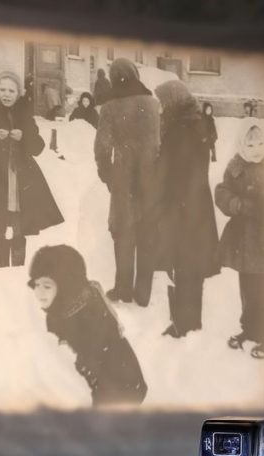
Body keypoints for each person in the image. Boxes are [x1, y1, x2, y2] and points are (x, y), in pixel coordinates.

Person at [28, 245, 147, 405]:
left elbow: (87, 380)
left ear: (65, 286)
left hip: (119, 392)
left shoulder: (89, 323)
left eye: (47, 286)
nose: (39, 292)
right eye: (36, 285)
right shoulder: (62, 309)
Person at [0, 70, 63, 269]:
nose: (6, 94)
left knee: (19, 226)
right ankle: (1, 270)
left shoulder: (25, 114)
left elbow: (38, 147)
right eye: (3, 90)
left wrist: (24, 137)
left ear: (19, 92)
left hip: (20, 180)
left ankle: (18, 270)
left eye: (11, 91)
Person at [153, 80, 219, 338]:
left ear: (172, 102)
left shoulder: (177, 129)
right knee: (192, 266)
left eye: (163, 102)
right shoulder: (195, 123)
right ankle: (191, 321)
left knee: (180, 264)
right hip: (197, 205)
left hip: (179, 206)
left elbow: (167, 171)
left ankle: (182, 323)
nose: (161, 107)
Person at [94, 57, 160, 305]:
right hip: (150, 178)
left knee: (123, 233)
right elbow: (161, 142)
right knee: (147, 233)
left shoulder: (110, 107)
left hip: (123, 178)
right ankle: (143, 294)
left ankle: (123, 290)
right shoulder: (153, 104)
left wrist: (108, 176)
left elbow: (102, 148)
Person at [214, 121, 264, 359]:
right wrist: (236, 204)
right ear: (241, 145)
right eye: (250, 145)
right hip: (244, 240)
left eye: (260, 144)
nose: (256, 150)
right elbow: (221, 192)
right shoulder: (235, 167)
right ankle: (250, 328)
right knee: (248, 288)